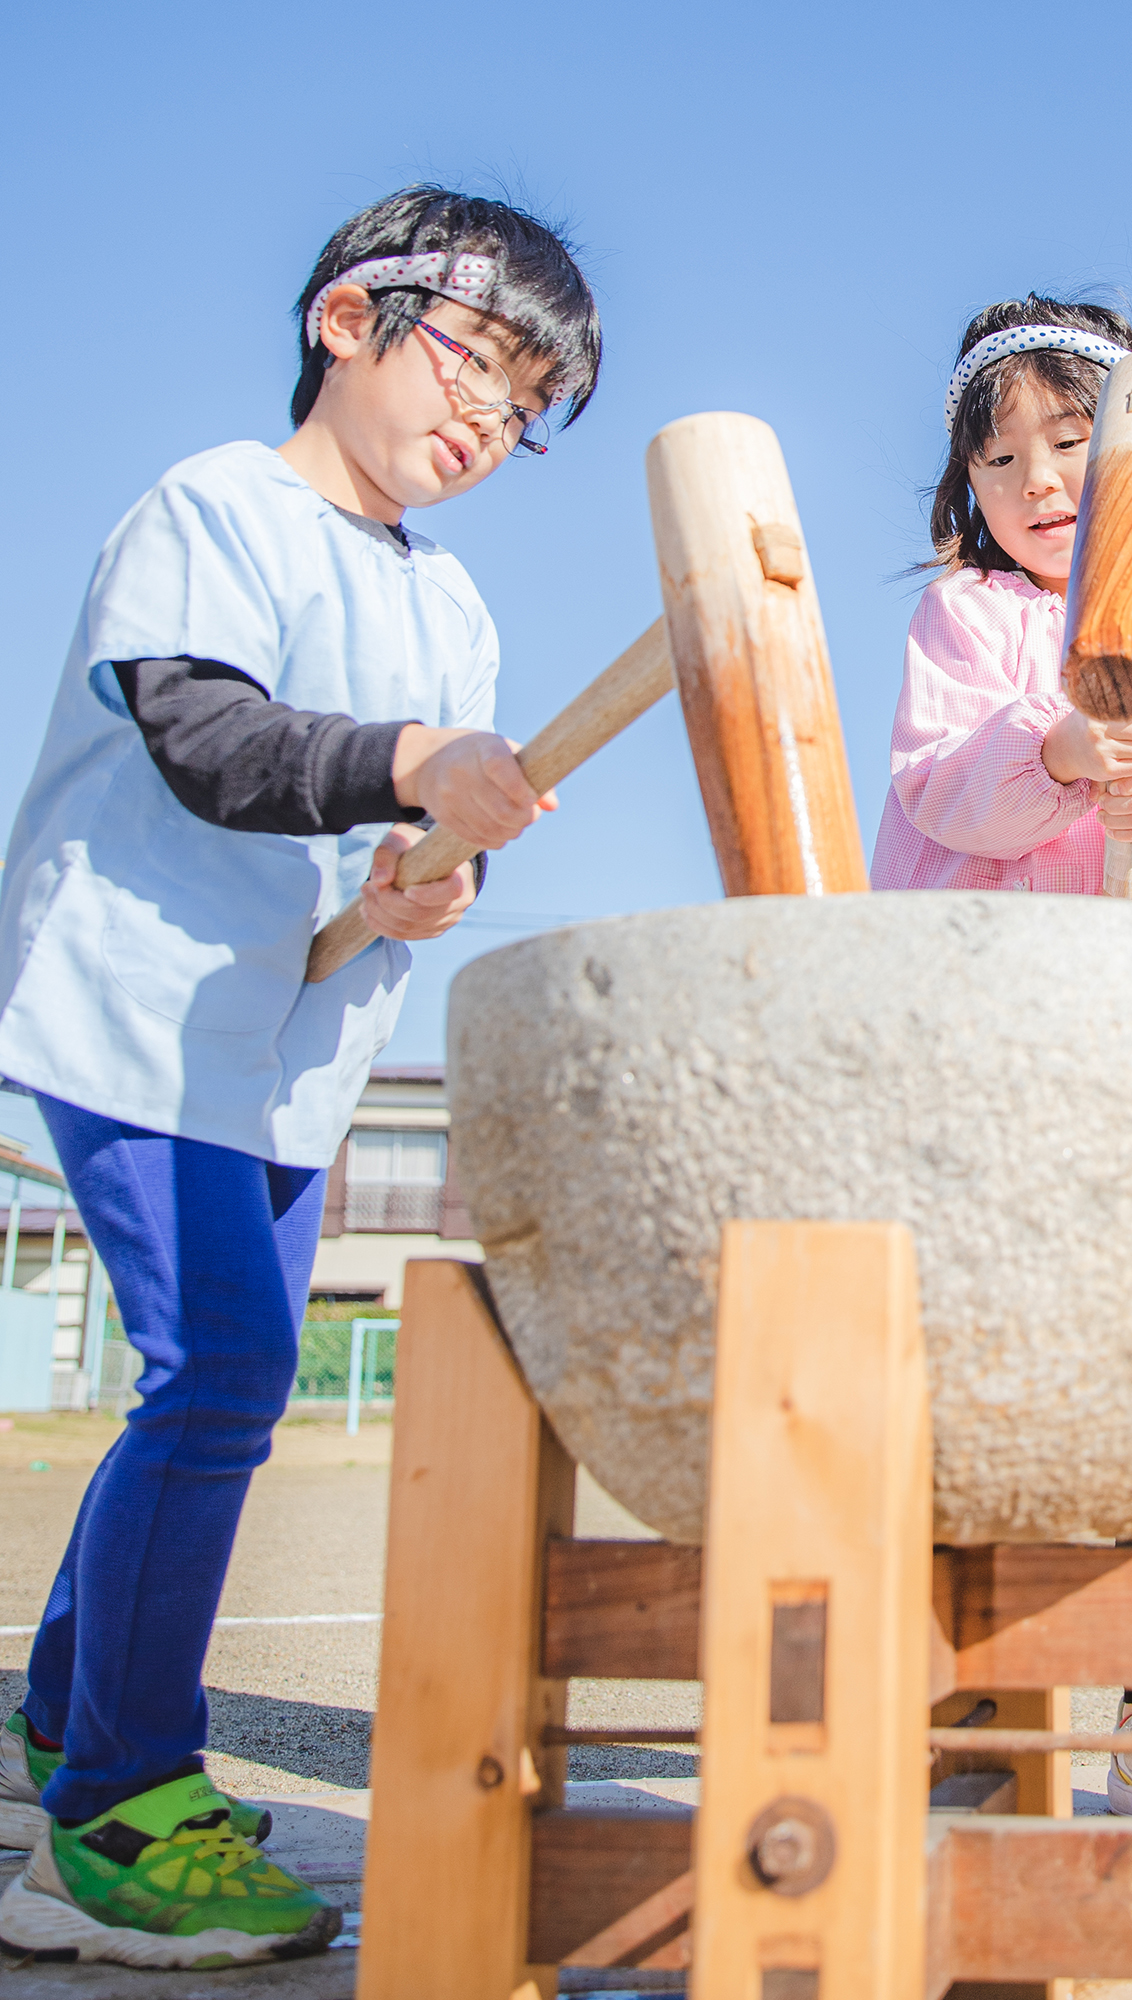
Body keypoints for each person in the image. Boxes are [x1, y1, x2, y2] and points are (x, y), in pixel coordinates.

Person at [0, 186, 600, 1968]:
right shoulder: (215, 508)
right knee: (227, 1374)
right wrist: (412, 765)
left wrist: (441, 863)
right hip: (139, 1003)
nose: (488, 422)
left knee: (207, 1386)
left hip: (293, 1049)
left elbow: (416, 837)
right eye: (475, 361)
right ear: (351, 318)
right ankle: (110, 1823)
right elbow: (209, 737)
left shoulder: (460, 608)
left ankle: (58, 1735)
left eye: (525, 407)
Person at [872, 295, 1132, 1823]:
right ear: (965, 487)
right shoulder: (963, 620)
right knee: (978, 1370)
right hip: (981, 1053)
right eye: (1004, 460)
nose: (1042, 481)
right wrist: (1058, 749)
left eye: (1074, 441)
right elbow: (938, 796)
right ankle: (968, 1701)